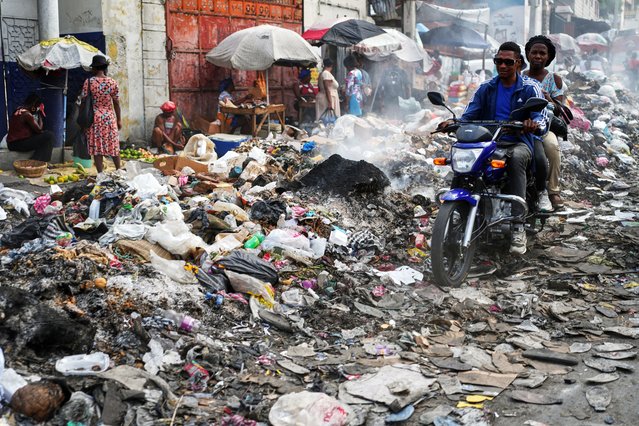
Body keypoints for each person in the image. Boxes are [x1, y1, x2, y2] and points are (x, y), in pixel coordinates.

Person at [440, 42, 548, 255]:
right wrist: (452, 122)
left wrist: (534, 124)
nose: (503, 65)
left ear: (518, 63)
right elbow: (469, 115)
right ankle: (455, 214)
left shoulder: (529, 87)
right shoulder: (486, 87)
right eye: (499, 61)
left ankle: (518, 225)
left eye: (508, 62)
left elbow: (541, 118)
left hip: (518, 142)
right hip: (488, 142)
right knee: (463, 161)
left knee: (517, 159)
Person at [524, 35, 566, 211]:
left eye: (542, 53)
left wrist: (549, 99)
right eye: (534, 52)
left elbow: (560, 110)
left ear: (548, 57)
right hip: (524, 125)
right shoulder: (519, 76)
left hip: (544, 128)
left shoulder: (554, 79)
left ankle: (553, 191)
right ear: (528, 54)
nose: (538, 56)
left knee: (553, 148)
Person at [81, 55, 122, 174]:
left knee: (96, 147)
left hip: (94, 118)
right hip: (109, 118)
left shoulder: (89, 82)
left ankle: (100, 174)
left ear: (94, 68)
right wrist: (119, 120)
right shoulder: (112, 82)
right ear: (105, 68)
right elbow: (116, 103)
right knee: (113, 145)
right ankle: (118, 170)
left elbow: (83, 102)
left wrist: (82, 120)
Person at [7, 93, 55, 162]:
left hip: (12, 144)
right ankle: (36, 161)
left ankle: (37, 160)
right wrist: (40, 115)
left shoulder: (18, 109)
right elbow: (39, 130)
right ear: (33, 106)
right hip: (17, 144)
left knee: (44, 139)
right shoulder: (27, 114)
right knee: (50, 135)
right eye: (37, 107)